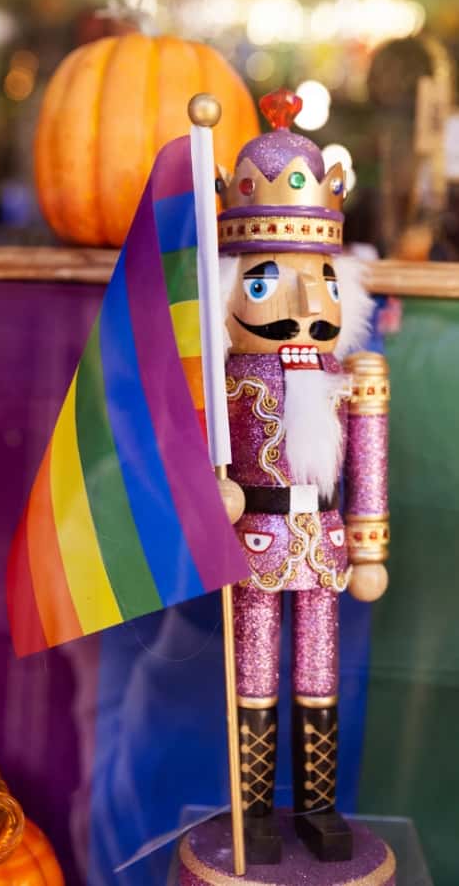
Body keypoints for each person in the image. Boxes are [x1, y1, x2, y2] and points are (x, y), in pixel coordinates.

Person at [216, 89, 390, 865]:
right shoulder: (222, 377)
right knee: (252, 671)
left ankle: (317, 806)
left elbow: (370, 465)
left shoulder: (354, 372)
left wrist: (371, 544)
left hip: (322, 542)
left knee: (318, 672)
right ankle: (253, 812)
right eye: (262, 282)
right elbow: (198, 447)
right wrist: (213, 489)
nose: (293, 303)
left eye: (314, 281)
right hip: (254, 538)